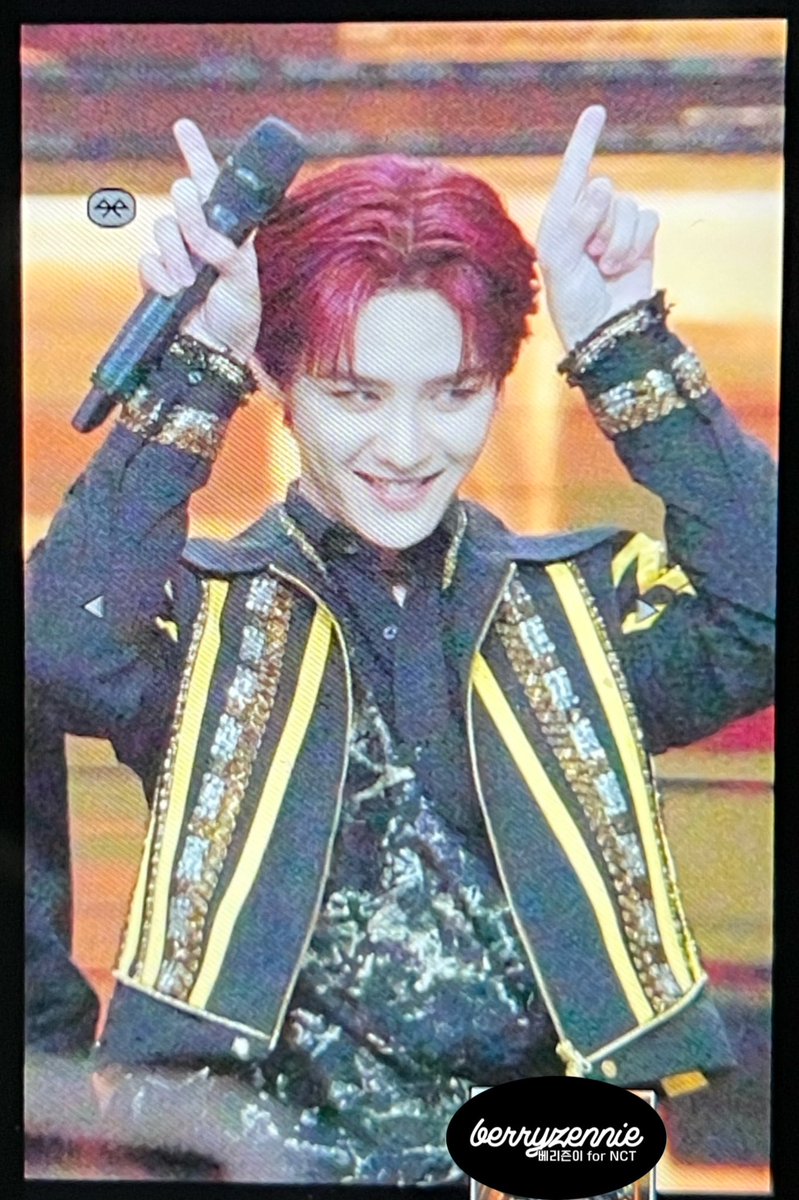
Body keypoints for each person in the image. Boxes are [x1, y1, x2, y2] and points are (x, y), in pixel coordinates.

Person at [25, 106, 775, 1184]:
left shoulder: (574, 610)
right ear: (279, 386)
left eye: (453, 394)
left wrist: (623, 346)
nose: (406, 447)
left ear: (496, 387)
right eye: (354, 394)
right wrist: (199, 360)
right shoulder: (205, 614)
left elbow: (761, 610)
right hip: (245, 1159)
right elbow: (59, 646)